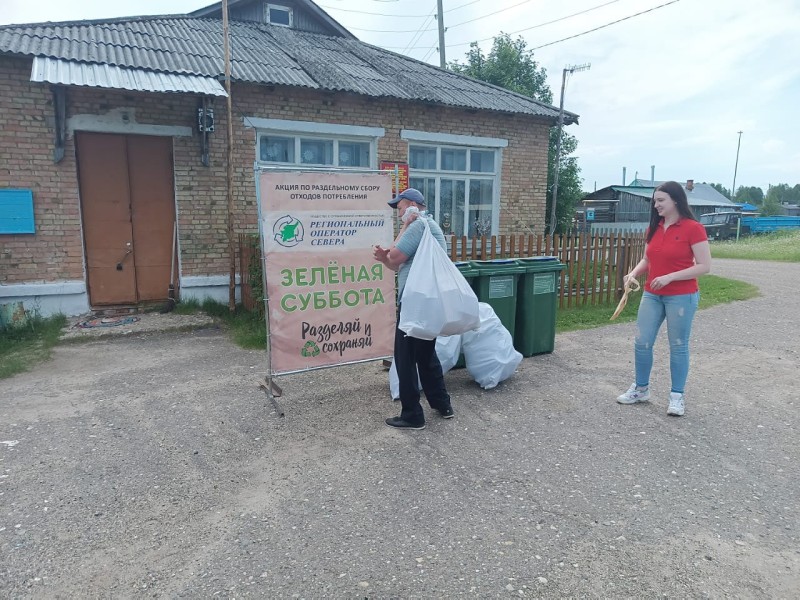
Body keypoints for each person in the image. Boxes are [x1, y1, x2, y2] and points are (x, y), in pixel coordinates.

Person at [616, 181, 711, 416]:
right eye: (654, 201)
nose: (656, 205)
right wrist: (634, 272)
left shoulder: (693, 228)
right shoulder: (654, 228)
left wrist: (670, 277)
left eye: (661, 201)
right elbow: (648, 260)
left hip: (682, 296)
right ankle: (641, 389)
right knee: (642, 341)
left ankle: (677, 396)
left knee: (678, 346)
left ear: (676, 200)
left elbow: (704, 266)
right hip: (652, 294)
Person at [372, 188, 454, 430]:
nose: (398, 214)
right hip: (427, 300)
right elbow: (396, 265)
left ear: (412, 205)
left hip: (415, 303)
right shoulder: (429, 227)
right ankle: (443, 405)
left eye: (399, 208)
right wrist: (384, 257)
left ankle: (412, 415)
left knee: (405, 356)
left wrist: (404, 228)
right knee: (426, 354)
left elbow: (395, 257)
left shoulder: (418, 226)